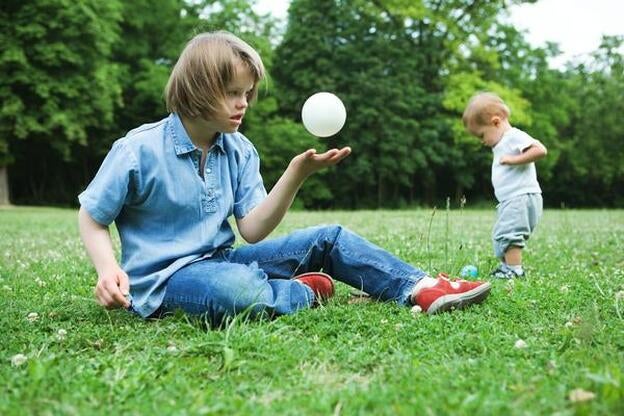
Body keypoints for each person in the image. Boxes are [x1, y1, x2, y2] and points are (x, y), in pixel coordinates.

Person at [78, 31, 491, 327]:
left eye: (248, 93)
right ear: (199, 89)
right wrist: (108, 269)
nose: (243, 104)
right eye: (233, 93)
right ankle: (302, 293)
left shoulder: (238, 148)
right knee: (236, 290)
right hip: (165, 281)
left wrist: (297, 173)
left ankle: (419, 287)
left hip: (222, 261)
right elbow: (93, 215)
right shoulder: (138, 150)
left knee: (329, 236)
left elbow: (253, 230)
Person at [462, 92, 547, 279]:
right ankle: (506, 267)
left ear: (496, 122)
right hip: (512, 199)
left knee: (510, 234)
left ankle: (514, 270)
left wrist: (514, 160)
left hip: (520, 197)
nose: (483, 141)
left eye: (482, 135)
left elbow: (540, 150)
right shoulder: (502, 142)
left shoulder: (512, 136)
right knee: (502, 234)